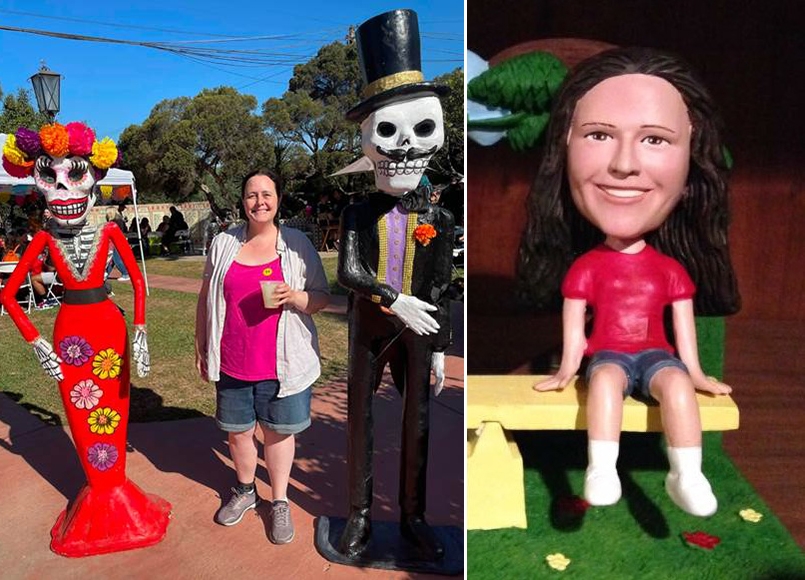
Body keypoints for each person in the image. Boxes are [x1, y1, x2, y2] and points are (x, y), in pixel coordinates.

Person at [518, 47, 740, 517]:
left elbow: (683, 329)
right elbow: (574, 327)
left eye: (655, 140)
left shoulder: (670, 269)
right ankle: (602, 467)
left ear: (692, 153)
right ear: (565, 144)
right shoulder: (587, 268)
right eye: (599, 134)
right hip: (610, 356)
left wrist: (695, 373)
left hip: (658, 356)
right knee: (603, 387)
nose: (624, 164)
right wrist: (565, 371)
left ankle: (688, 472)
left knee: (678, 389)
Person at [0, 121, 168, 555]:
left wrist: (142, 333)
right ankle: (101, 487)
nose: (63, 190)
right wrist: (37, 344)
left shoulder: (110, 232)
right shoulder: (42, 238)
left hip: (109, 331)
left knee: (113, 408)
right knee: (82, 413)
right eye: (51, 180)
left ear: (92, 182)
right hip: (70, 337)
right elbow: (9, 296)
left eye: (75, 175)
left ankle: (114, 487)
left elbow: (138, 283)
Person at [335, 9, 454, 561]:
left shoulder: (442, 218)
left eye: (420, 130)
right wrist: (393, 299)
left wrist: (437, 350)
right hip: (371, 325)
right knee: (358, 420)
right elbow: (349, 272)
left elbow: (444, 284)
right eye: (388, 131)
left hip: (418, 331)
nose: (404, 146)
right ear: (369, 139)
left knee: (418, 424)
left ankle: (414, 518)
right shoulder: (356, 211)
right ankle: (358, 515)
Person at [195, 169, 329, 545]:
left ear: (278, 199)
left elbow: (321, 296)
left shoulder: (298, 244)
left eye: (266, 194)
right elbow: (206, 299)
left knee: (278, 434)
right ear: (243, 201)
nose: (259, 202)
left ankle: (280, 500)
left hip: (283, 361)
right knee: (237, 432)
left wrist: (297, 297)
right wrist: (201, 345)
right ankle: (245, 490)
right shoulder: (223, 243)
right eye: (252, 195)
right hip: (233, 358)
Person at [105, 209, 130, 281]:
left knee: (117, 259)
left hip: (116, 241)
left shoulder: (113, 222)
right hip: (121, 240)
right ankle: (106, 273)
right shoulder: (121, 221)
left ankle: (125, 274)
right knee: (111, 259)